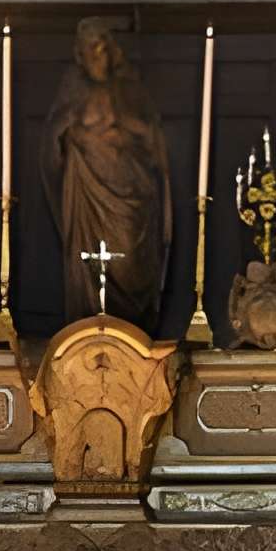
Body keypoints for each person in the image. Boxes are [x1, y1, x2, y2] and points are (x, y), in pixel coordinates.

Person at [44, 19, 171, 325]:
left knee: (128, 257)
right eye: (91, 53)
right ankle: (88, 318)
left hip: (130, 190)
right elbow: (52, 142)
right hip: (88, 192)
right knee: (87, 263)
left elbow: (153, 140)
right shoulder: (72, 92)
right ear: (81, 57)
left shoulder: (130, 89)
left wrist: (124, 130)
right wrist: (69, 134)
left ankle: (135, 323)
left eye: (102, 51)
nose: (97, 59)